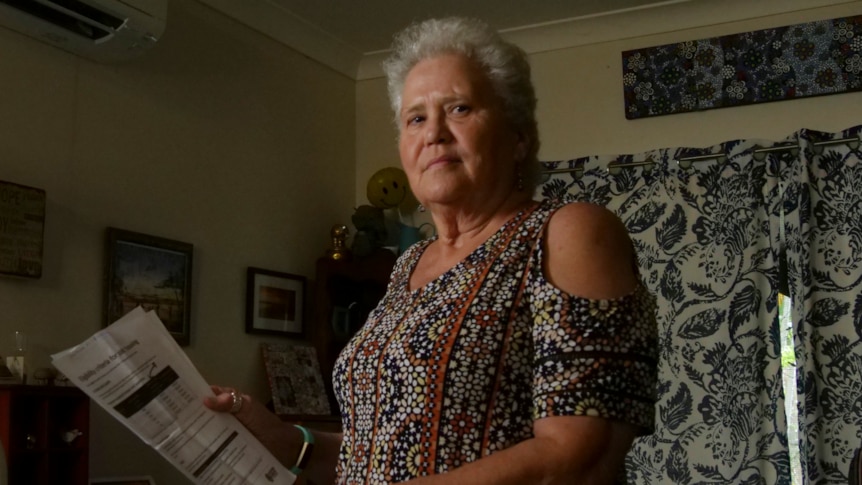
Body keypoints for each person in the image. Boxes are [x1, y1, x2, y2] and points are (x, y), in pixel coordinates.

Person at [206, 16, 658, 485]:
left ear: (518, 136)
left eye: (459, 109)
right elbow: (376, 452)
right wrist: (282, 438)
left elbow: (582, 458)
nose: (434, 133)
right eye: (416, 118)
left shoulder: (567, 232)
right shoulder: (408, 263)